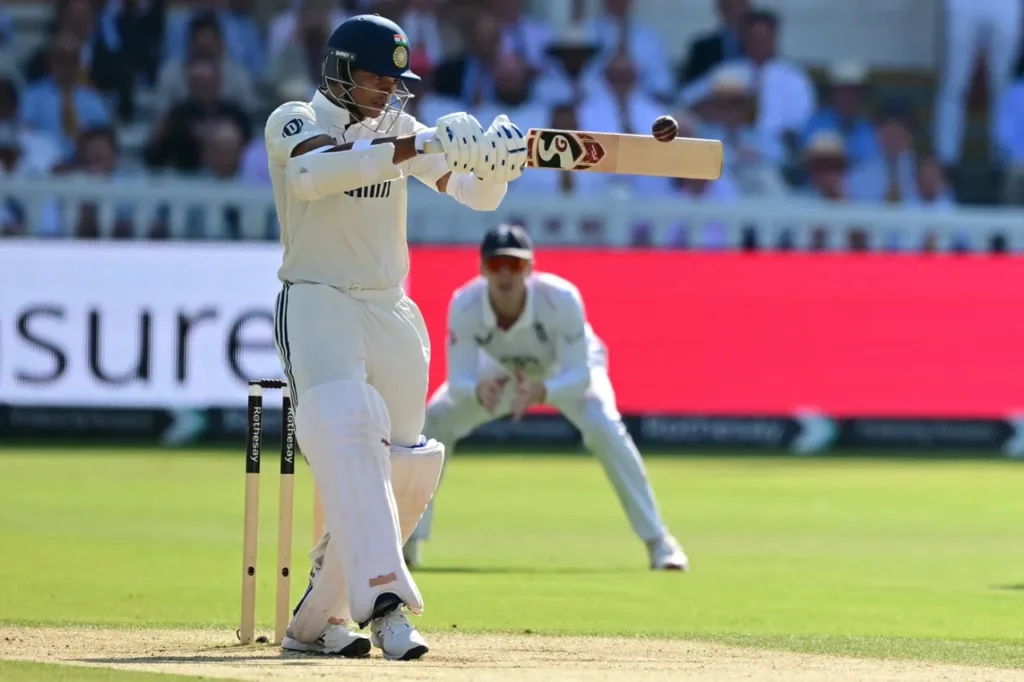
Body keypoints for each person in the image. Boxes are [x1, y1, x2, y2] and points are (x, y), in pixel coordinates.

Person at [264, 15, 527, 661]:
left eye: (395, 80)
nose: (387, 91)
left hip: (392, 307)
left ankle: (313, 623)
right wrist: (420, 145)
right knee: (349, 425)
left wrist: (496, 165)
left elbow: (475, 196)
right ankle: (384, 607)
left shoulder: (400, 129)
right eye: (377, 77)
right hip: (319, 299)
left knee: (408, 463)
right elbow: (314, 176)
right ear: (341, 71)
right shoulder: (294, 119)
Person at [404, 224, 688, 572]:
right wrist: (477, 389)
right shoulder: (465, 303)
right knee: (436, 420)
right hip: (502, 376)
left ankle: (660, 543)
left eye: (516, 265)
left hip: (560, 375)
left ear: (530, 268)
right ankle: (408, 544)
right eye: (496, 266)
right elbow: (458, 378)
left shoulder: (560, 298)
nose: (505, 275)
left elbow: (581, 374)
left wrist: (544, 391)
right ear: (482, 270)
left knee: (605, 427)